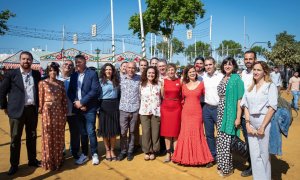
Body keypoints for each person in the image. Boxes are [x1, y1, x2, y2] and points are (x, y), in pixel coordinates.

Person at [0, 51, 41, 175]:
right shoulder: (12, 74)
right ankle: (14, 164)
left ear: (32, 60)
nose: (26, 61)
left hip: (32, 110)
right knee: (15, 138)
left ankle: (32, 160)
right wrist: (4, 106)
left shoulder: (36, 74)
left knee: (32, 136)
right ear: (20, 60)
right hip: (16, 111)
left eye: (28, 59)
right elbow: (2, 91)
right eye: (23, 59)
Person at [241, 61, 278, 180]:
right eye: (254, 70)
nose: (255, 72)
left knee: (264, 155)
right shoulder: (250, 87)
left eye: (258, 70)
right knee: (254, 154)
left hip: (264, 122)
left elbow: (272, 107)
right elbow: (245, 105)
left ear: (264, 72)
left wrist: (262, 126)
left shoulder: (270, 86)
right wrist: (247, 124)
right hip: (251, 123)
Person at [172, 65, 213, 165]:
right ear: (187, 74)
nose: (192, 73)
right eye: (190, 72)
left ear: (196, 72)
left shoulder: (201, 84)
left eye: (193, 71)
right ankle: (183, 157)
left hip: (197, 113)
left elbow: (206, 97)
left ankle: (200, 158)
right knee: (185, 133)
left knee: (198, 133)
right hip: (186, 113)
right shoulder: (184, 85)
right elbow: (181, 98)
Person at [68, 55, 100, 165]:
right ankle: (85, 154)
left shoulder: (92, 74)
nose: (77, 64)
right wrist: (77, 103)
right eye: (76, 62)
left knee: (91, 131)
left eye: (79, 62)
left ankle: (95, 153)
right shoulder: (73, 75)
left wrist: (82, 102)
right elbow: (70, 92)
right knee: (83, 133)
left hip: (89, 108)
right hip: (78, 109)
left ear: (85, 62)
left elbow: (94, 90)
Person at [216, 57, 244, 177]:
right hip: (221, 112)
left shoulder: (236, 79)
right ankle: (222, 164)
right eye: (225, 64)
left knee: (227, 141)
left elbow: (239, 100)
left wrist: (238, 117)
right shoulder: (223, 78)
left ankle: (227, 169)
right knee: (221, 139)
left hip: (230, 113)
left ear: (234, 66)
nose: (227, 66)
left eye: (230, 64)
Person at [38, 62, 67, 170]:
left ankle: (58, 159)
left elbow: (64, 99)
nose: (53, 72)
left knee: (59, 134)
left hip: (59, 111)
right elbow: (41, 98)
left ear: (57, 71)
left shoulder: (61, 84)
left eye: (54, 70)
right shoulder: (42, 83)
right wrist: (41, 110)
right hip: (47, 111)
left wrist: (64, 111)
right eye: (50, 70)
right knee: (48, 134)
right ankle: (48, 161)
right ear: (47, 72)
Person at [202, 57, 223, 167]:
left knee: (221, 134)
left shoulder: (221, 77)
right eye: (206, 65)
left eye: (210, 64)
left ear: (214, 64)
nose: (208, 67)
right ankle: (212, 156)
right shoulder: (203, 77)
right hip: (207, 108)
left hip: (219, 108)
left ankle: (221, 157)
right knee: (209, 135)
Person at [117, 62, 141, 161]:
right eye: (129, 68)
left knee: (132, 132)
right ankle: (123, 151)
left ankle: (130, 151)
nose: (131, 70)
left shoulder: (139, 79)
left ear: (136, 69)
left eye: (133, 68)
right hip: (123, 109)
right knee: (123, 132)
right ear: (125, 68)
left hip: (135, 109)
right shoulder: (120, 79)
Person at [58, 60, 80, 160]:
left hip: (73, 110)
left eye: (71, 65)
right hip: (59, 112)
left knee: (75, 133)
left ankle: (74, 151)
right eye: (66, 64)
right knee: (60, 132)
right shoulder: (56, 77)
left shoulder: (76, 78)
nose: (68, 66)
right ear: (62, 66)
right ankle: (61, 151)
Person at [98, 63, 120, 161]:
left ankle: (112, 149)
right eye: (106, 69)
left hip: (115, 106)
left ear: (113, 71)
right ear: (103, 71)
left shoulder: (116, 81)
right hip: (104, 106)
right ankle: (107, 150)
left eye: (110, 69)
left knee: (113, 131)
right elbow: (96, 96)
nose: (108, 71)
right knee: (106, 131)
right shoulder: (100, 82)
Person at [239, 50, 257, 177]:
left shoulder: (260, 73)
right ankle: (252, 166)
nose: (248, 61)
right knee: (248, 140)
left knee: (259, 141)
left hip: (257, 114)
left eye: (251, 58)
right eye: (246, 59)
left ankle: (260, 166)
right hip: (245, 113)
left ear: (255, 59)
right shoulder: (242, 74)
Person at [160, 63, 182, 163]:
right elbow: (162, 95)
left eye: (172, 70)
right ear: (166, 71)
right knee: (167, 131)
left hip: (177, 108)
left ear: (175, 71)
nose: (171, 72)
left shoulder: (179, 81)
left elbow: (182, 94)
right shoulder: (163, 81)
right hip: (166, 108)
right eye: (169, 70)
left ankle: (175, 153)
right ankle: (168, 153)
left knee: (176, 131)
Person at [139, 66, 161, 160]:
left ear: (155, 74)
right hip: (144, 111)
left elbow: (162, 96)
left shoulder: (159, 84)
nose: (151, 74)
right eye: (149, 73)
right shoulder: (141, 84)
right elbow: (139, 97)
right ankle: (147, 151)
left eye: (153, 73)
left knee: (155, 132)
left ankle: (153, 150)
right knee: (146, 131)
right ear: (146, 74)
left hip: (156, 111)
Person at [134, 59, 149, 152]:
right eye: (142, 65)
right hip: (136, 104)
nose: (143, 67)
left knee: (146, 127)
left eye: (145, 65)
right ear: (139, 66)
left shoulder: (150, 75)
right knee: (135, 126)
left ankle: (146, 145)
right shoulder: (136, 76)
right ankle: (136, 144)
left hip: (146, 105)